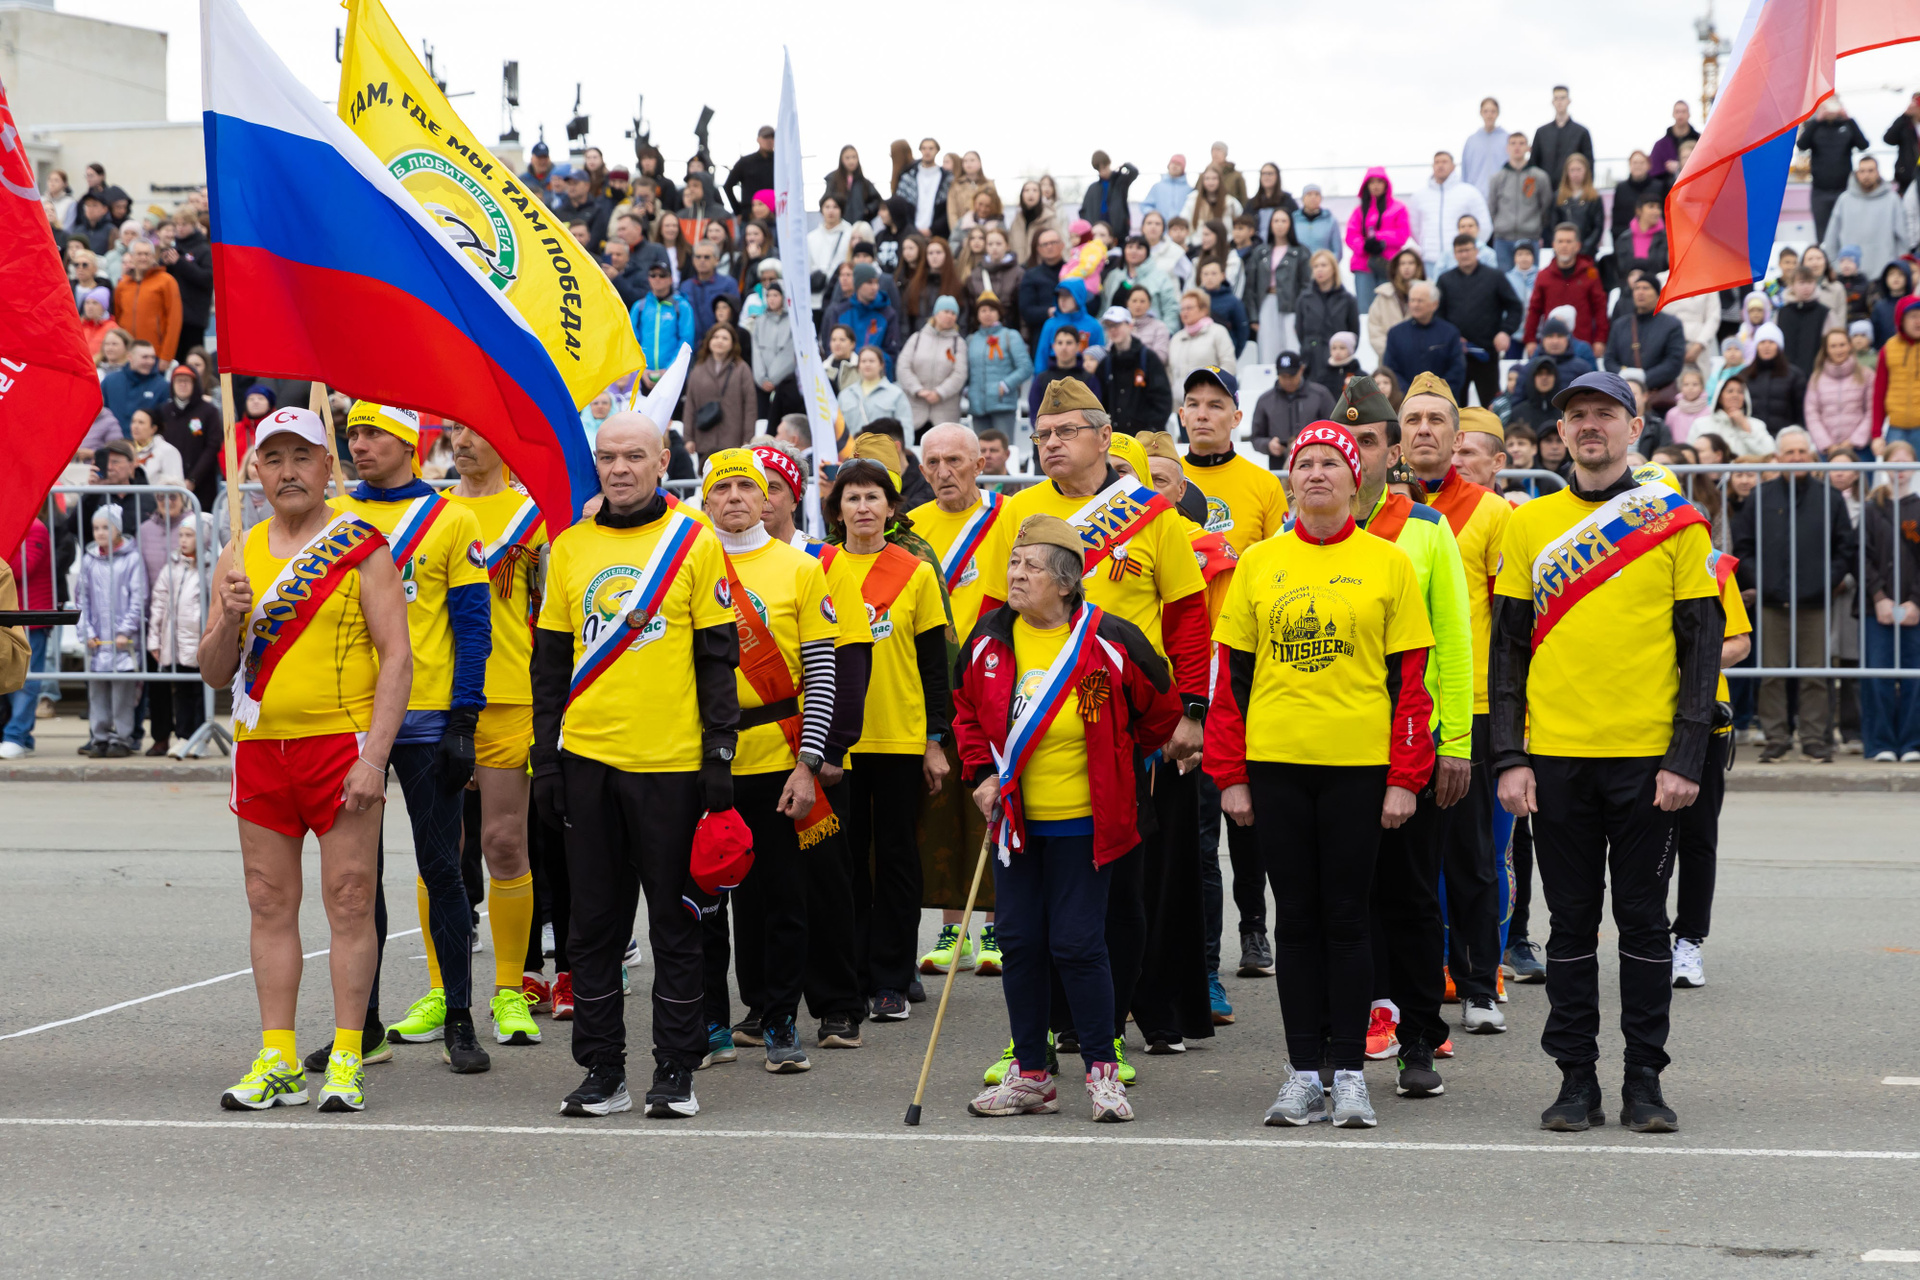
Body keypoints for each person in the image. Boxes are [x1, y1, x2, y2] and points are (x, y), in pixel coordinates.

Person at [1491, 369, 1725, 1135]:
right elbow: (1507, 649)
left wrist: (1686, 756)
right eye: (1577, 415)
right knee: (1569, 925)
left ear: (1633, 428)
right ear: (1561, 432)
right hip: (1555, 759)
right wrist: (1509, 756)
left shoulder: (1678, 522)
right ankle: (1575, 1079)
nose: (1590, 425)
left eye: (1604, 413)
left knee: (1644, 924)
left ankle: (1645, 1080)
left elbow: (1701, 646)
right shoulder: (1528, 524)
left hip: (1646, 760)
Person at [973, 376, 1214, 1071]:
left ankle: (1103, 1029)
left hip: (1128, 732)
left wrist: (1192, 712)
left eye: (1065, 432)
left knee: (1120, 892)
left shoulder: (1151, 513)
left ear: (1104, 438)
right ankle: (1037, 1036)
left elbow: (1187, 618)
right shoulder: (1019, 511)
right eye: (1043, 435)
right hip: (1033, 729)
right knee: (1032, 898)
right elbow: (992, 619)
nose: (1051, 444)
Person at [1207, 420, 1435, 1128]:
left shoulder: (1388, 563)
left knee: (1348, 918)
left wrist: (1405, 777)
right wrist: (1230, 775)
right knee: (1297, 922)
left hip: (1359, 769)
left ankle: (1351, 1072)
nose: (1315, 474)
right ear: (1291, 479)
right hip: (1276, 767)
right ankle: (1304, 1072)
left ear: (1354, 479)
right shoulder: (1259, 562)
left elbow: (1411, 686)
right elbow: (1230, 683)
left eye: (1330, 463)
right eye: (1304, 463)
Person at [198, 408, 410, 1113]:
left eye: (302, 456)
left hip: (339, 748)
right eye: (274, 458)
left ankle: (348, 1053)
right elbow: (212, 670)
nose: (288, 472)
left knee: (349, 899)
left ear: (327, 467)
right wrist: (231, 617)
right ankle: (279, 1057)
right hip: (260, 749)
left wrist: (375, 756)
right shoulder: (239, 551)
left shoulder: (361, 545)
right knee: (267, 900)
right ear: (256, 471)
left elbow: (398, 658)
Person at [530, 411, 739, 1118]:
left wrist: (719, 755)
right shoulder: (569, 547)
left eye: (633, 456)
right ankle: (603, 1071)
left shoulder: (695, 541)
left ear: (662, 461)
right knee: (593, 929)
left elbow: (717, 659)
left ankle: (676, 1068)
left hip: (671, 769)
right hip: (587, 765)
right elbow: (549, 667)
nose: (619, 468)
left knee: (677, 926)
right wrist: (546, 762)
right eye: (607, 456)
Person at [956, 513, 1180, 1124]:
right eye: (1013, 564)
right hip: (1016, 824)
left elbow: (1161, 711)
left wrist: (1115, 759)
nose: (1015, 575)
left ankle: (1103, 1073)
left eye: (1030, 567)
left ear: (1065, 581)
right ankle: (1031, 1073)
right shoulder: (988, 639)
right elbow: (967, 712)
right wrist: (980, 775)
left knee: (1078, 943)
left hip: (1087, 823)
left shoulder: (1111, 638)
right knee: (1020, 942)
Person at [325, 402, 493, 1075]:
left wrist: (464, 721)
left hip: (427, 721)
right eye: (353, 435)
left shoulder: (453, 519)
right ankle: (362, 1027)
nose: (359, 445)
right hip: (351, 721)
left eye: (373, 434)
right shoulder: (337, 516)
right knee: (356, 879)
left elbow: (473, 626)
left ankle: (459, 1017)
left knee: (442, 869)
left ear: (406, 443)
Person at [690, 448, 841, 1073]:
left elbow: (823, 671)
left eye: (747, 487)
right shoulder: (686, 560)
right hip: (701, 758)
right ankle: (711, 1023)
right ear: (704, 499)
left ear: (767, 499)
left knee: (783, 900)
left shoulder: (800, 568)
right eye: (721, 487)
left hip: (778, 758)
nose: (734, 498)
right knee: (703, 903)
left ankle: (780, 1021)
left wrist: (809, 761)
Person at [1394, 374, 1516, 1042]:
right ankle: (1406, 989)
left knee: (1471, 856)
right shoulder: (1378, 508)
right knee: (1404, 860)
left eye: (1436, 420)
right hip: (1392, 706)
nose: (1424, 431)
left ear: (1455, 434)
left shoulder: (1491, 512)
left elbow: (1510, 619)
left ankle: (1479, 982)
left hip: (1469, 704)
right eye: (1413, 420)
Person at [745, 443, 873, 1050]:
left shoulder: (823, 560)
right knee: (754, 887)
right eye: (749, 486)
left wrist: (833, 750)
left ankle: (837, 1003)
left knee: (823, 880)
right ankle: (763, 1004)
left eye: (771, 486)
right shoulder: (716, 558)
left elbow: (849, 659)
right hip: (747, 750)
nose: (759, 498)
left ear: (793, 496)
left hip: (810, 745)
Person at [822, 459, 952, 1023]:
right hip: (838, 743)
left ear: (891, 508)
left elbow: (934, 667)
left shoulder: (916, 572)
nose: (863, 508)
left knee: (897, 859)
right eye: (852, 498)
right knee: (845, 861)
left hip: (900, 737)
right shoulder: (818, 567)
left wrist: (934, 741)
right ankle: (849, 975)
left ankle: (892, 980)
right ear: (837, 510)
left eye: (873, 497)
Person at [1178, 368, 1288, 1003]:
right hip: (1187, 667)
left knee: (1246, 810)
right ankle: (1200, 954)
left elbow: (1280, 567)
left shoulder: (1261, 484)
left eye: (1215, 405)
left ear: (1236, 417)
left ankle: (1253, 928)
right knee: (1197, 820)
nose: (1203, 414)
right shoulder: (1163, 480)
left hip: (1245, 664)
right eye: (1193, 404)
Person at [438, 424, 548, 1047]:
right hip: (437, 699)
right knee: (441, 848)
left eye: (475, 430)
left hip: (509, 695)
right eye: (454, 429)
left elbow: (552, 610)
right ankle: (441, 992)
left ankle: (510, 990)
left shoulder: (535, 517)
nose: (462, 440)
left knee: (504, 843)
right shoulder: (431, 511)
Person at [908, 425, 1008, 979]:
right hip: (939, 686)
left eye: (954, 460)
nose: (943, 472)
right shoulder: (912, 527)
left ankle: (994, 926)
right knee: (944, 807)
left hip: (998, 679)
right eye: (933, 463)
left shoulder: (1008, 518)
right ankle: (953, 930)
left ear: (980, 463)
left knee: (992, 802)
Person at [1731, 427, 1857, 762]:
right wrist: (1764, 582)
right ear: (1778, 457)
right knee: (1771, 673)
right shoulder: (1760, 496)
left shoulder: (1829, 497)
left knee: (1815, 674)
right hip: (1772, 602)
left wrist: (1825, 582)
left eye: (1802, 452)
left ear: (1811, 455)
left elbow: (1845, 548)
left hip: (1815, 601)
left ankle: (1814, 739)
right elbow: (1744, 546)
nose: (1796, 458)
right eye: (1790, 452)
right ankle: (1776, 738)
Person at [1860, 440, 1920, 761]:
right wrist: (1879, 597)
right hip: (1877, 609)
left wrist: (1915, 602)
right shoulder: (1872, 509)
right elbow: (1861, 556)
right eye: (1893, 461)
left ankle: (1912, 743)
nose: (1899, 468)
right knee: (1878, 675)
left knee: (1915, 677)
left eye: (1905, 462)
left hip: (1915, 610)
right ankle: (1880, 742)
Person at [74, 506, 147, 758]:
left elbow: (139, 598)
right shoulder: (89, 561)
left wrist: (126, 630)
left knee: (122, 694)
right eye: (96, 528)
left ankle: (122, 738)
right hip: (97, 643)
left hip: (122, 643)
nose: (100, 533)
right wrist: (87, 632)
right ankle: (100, 737)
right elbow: (81, 600)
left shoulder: (132, 559)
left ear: (118, 529)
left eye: (106, 527)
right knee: (97, 694)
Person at [1437, 234, 1523, 408]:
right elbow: (1438, 315)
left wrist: (1505, 331)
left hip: (1487, 353)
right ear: (1454, 254)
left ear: (1476, 251)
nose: (1464, 254)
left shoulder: (1494, 277)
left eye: (1467, 250)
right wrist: (1451, 337)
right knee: (1453, 407)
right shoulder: (1445, 280)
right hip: (1456, 355)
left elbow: (1515, 307)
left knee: (1490, 407)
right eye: (1460, 251)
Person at [1797, 98, 1872, 243]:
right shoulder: (1815, 126)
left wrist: (1848, 119)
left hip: (1845, 190)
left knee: (1848, 232)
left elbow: (1863, 145)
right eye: (1827, 106)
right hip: (1820, 191)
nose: (1831, 110)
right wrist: (1817, 120)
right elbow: (1801, 145)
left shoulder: (1847, 125)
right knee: (1822, 235)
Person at [1525, 224, 1608, 352]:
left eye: (1569, 241)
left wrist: (1600, 340)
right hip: (1551, 347)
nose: (1564, 245)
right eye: (1560, 241)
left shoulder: (1590, 274)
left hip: (1582, 346)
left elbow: (1600, 309)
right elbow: (1534, 310)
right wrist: (1530, 340)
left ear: (1577, 246)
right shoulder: (1543, 276)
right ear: (1553, 245)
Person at [682, 321, 756, 463]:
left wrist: (748, 438)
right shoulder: (698, 369)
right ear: (709, 341)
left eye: (725, 338)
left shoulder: (742, 369)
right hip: (704, 438)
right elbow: (690, 405)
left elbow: (750, 407)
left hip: (733, 440)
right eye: (715, 337)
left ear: (732, 343)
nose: (719, 341)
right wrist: (688, 438)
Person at [1383, 281, 1467, 405]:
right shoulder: (1395, 333)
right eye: (1412, 300)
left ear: (1434, 304)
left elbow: (1457, 369)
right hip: (1406, 402)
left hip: (1443, 401)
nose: (1415, 305)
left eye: (1420, 301)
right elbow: (1391, 369)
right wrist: (1412, 393)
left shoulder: (1450, 332)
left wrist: (1437, 392)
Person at [1246, 209, 1312, 364]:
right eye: (1276, 221)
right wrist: (1253, 317)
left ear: (1290, 224)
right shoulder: (1260, 252)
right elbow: (1251, 286)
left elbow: (1306, 285)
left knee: (1291, 344)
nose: (1280, 225)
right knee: (1267, 347)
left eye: (1284, 221)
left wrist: (1302, 312)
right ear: (1270, 224)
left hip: (1292, 306)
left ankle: (1293, 375)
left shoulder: (1300, 252)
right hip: (1266, 302)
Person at [898, 296, 970, 437]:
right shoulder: (917, 338)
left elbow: (960, 374)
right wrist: (918, 390)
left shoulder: (958, 343)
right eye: (946, 311)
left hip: (945, 414)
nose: (950, 316)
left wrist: (939, 393)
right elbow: (903, 367)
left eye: (953, 313)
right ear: (936, 314)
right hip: (915, 412)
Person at [1604, 275, 1688, 396]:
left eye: (1646, 288)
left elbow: (1674, 363)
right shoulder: (1620, 325)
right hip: (1624, 392)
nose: (1640, 292)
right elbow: (1609, 359)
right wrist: (1623, 375)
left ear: (1658, 294)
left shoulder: (1672, 325)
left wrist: (1645, 377)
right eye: (1637, 288)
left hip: (1657, 394)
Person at [1822, 157, 1904, 279]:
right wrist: (1837, 267)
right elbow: (1831, 238)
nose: (1866, 175)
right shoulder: (1844, 200)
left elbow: (1902, 238)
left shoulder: (1892, 200)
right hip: (1850, 276)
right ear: (1856, 173)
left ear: (1878, 173)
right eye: (1862, 171)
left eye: (1871, 170)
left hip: (1884, 276)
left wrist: (1898, 268)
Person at [1344, 167, 1411, 315]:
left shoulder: (1398, 208)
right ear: (1366, 186)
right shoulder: (1359, 211)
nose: (1375, 185)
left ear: (1386, 185)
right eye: (1372, 182)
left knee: (1390, 309)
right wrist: (1364, 246)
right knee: (1365, 310)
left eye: (1379, 182)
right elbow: (1351, 235)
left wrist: (1379, 239)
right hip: (1363, 266)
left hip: (1388, 265)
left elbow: (1403, 234)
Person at [1416, 151, 1492, 280]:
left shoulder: (1470, 192)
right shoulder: (1420, 196)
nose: (1440, 165)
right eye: (1437, 162)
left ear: (1453, 166)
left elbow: (1484, 226)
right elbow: (1415, 227)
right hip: (1430, 260)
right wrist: (1426, 246)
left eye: (1444, 162)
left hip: (1460, 259)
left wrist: (1468, 250)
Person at [1097, 307, 1173, 435]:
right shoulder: (1105, 363)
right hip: (1116, 437)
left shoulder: (1148, 358)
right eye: (1109, 326)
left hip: (1145, 436)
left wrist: (1151, 430)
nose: (1113, 330)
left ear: (1130, 325)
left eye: (1117, 324)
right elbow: (1100, 402)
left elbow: (1162, 399)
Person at [966, 295, 1031, 440]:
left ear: (999, 313)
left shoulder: (1010, 336)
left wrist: (1005, 385)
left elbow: (1025, 367)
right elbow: (967, 370)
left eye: (992, 310)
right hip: (977, 405)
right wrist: (967, 390)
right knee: (981, 448)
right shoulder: (972, 340)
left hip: (1003, 403)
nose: (987, 314)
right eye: (983, 310)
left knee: (1003, 446)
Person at [1488, 133, 1555, 271]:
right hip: (1503, 240)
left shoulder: (1539, 177)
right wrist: (1501, 225)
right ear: (1507, 148)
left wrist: (1535, 226)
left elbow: (1545, 206)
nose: (1517, 147)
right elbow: (1492, 207)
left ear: (1528, 148)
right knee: (1505, 279)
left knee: (1530, 279)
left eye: (1521, 143)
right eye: (1513, 143)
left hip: (1530, 238)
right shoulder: (1497, 178)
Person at [1807, 328, 1875, 453]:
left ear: (1850, 346)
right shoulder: (1816, 378)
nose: (1838, 350)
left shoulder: (1867, 375)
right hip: (1827, 452)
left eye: (1842, 345)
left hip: (1860, 450)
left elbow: (1871, 411)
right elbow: (1812, 413)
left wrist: (1853, 442)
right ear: (1826, 350)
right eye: (1833, 346)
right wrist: (1827, 445)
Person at [1298, 250, 1359, 381]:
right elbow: (1300, 331)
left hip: (1339, 363)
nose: (1319, 269)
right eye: (1316, 266)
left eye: (1324, 265)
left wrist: (1341, 351)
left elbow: (1354, 333)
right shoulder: (1304, 299)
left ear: (1333, 268)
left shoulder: (1347, 299)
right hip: (1311, 362)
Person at [1168, 289, 1237, 395]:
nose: (1185, 312)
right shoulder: (1176, 338)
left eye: (1189, 308)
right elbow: (1169, 372)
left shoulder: (1218, 332)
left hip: (1210, 398)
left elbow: (1229, 366)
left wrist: (1213, 389)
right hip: (1179, 401)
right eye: (1182, 309)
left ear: (1204, 310)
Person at [1874, 296, 1920, 455]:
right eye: (1913, 316)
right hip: (1896, 429)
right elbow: (1879, 393)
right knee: (1895, 470)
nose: (1918, 322)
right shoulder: (1888, 348)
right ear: (1901, 319)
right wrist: (1876, 434)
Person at [1531, 85, 1594, 186]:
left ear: (1568, 101)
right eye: (1556, 98)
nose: (1559, 102)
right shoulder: (1541, 133)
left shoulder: (1581, 132)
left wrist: (1588, 188)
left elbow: (1588, 163)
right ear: (1552, 102)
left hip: (1572, 189)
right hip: (1546, 189)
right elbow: (1534, 163)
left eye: (1563, 98)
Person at [896, 137, 952, 237]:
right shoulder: (908, 177)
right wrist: (911, 229)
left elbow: (948, 209)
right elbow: (901, 206)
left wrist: (933, 229)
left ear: (937, 150)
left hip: (938, 234)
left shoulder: (947, 179)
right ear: (920, 150)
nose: (927, 151)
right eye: (924, 148)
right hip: (911, 233)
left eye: (931, 148)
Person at [1461, 97, 1508, 193]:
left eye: (1493, 111)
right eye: (1486, 111)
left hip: (1502, 194)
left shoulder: (1507, 139)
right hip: (1477, 195)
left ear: (1498, 113)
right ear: (1481, 113)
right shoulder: (1471, 141)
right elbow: (1465, 170)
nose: (1489, 115)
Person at [1649, 99, 1701, 177]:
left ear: (1688, 114)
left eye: (1683, 111)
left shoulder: (1700, 142)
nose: (1680, 115)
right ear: (1673, 114)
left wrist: (1679, 166)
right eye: (1677, 112)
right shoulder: (1660, 146)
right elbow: (1654, 172)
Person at [1144, 155, 1193, 225]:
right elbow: (1146, 205)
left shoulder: (1189, 190)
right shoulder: (1157, 187)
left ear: (1183, 169)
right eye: (1173, 163)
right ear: (1168, 165)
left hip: (1180, 228)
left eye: (1178, 164)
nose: (1175, 166)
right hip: (1161, 229)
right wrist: (1155, 216)